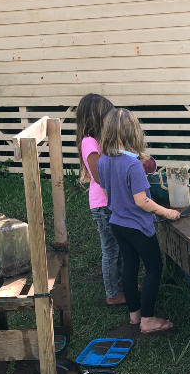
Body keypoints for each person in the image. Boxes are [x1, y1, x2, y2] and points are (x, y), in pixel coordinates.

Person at [95, 108, 179, 334]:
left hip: (117, 223)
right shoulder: (133, 165)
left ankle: (135, 315)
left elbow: (105, 189)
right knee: (154, 267)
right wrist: (166, 212)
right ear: (134, 133)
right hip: (138, 226)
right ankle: (148, 320)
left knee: (130, 267)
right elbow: (142, 201)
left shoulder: (102, 161)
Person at [75, 93, 124, 306]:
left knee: (119, 247)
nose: (111, 120)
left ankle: (120, 285)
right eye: (107, 116)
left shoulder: (99, 141)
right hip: (103, 204)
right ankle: (113, 294)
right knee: (111, 249)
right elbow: (98, 176)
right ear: (95, 118)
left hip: (110, 201)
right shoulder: (89, 142)